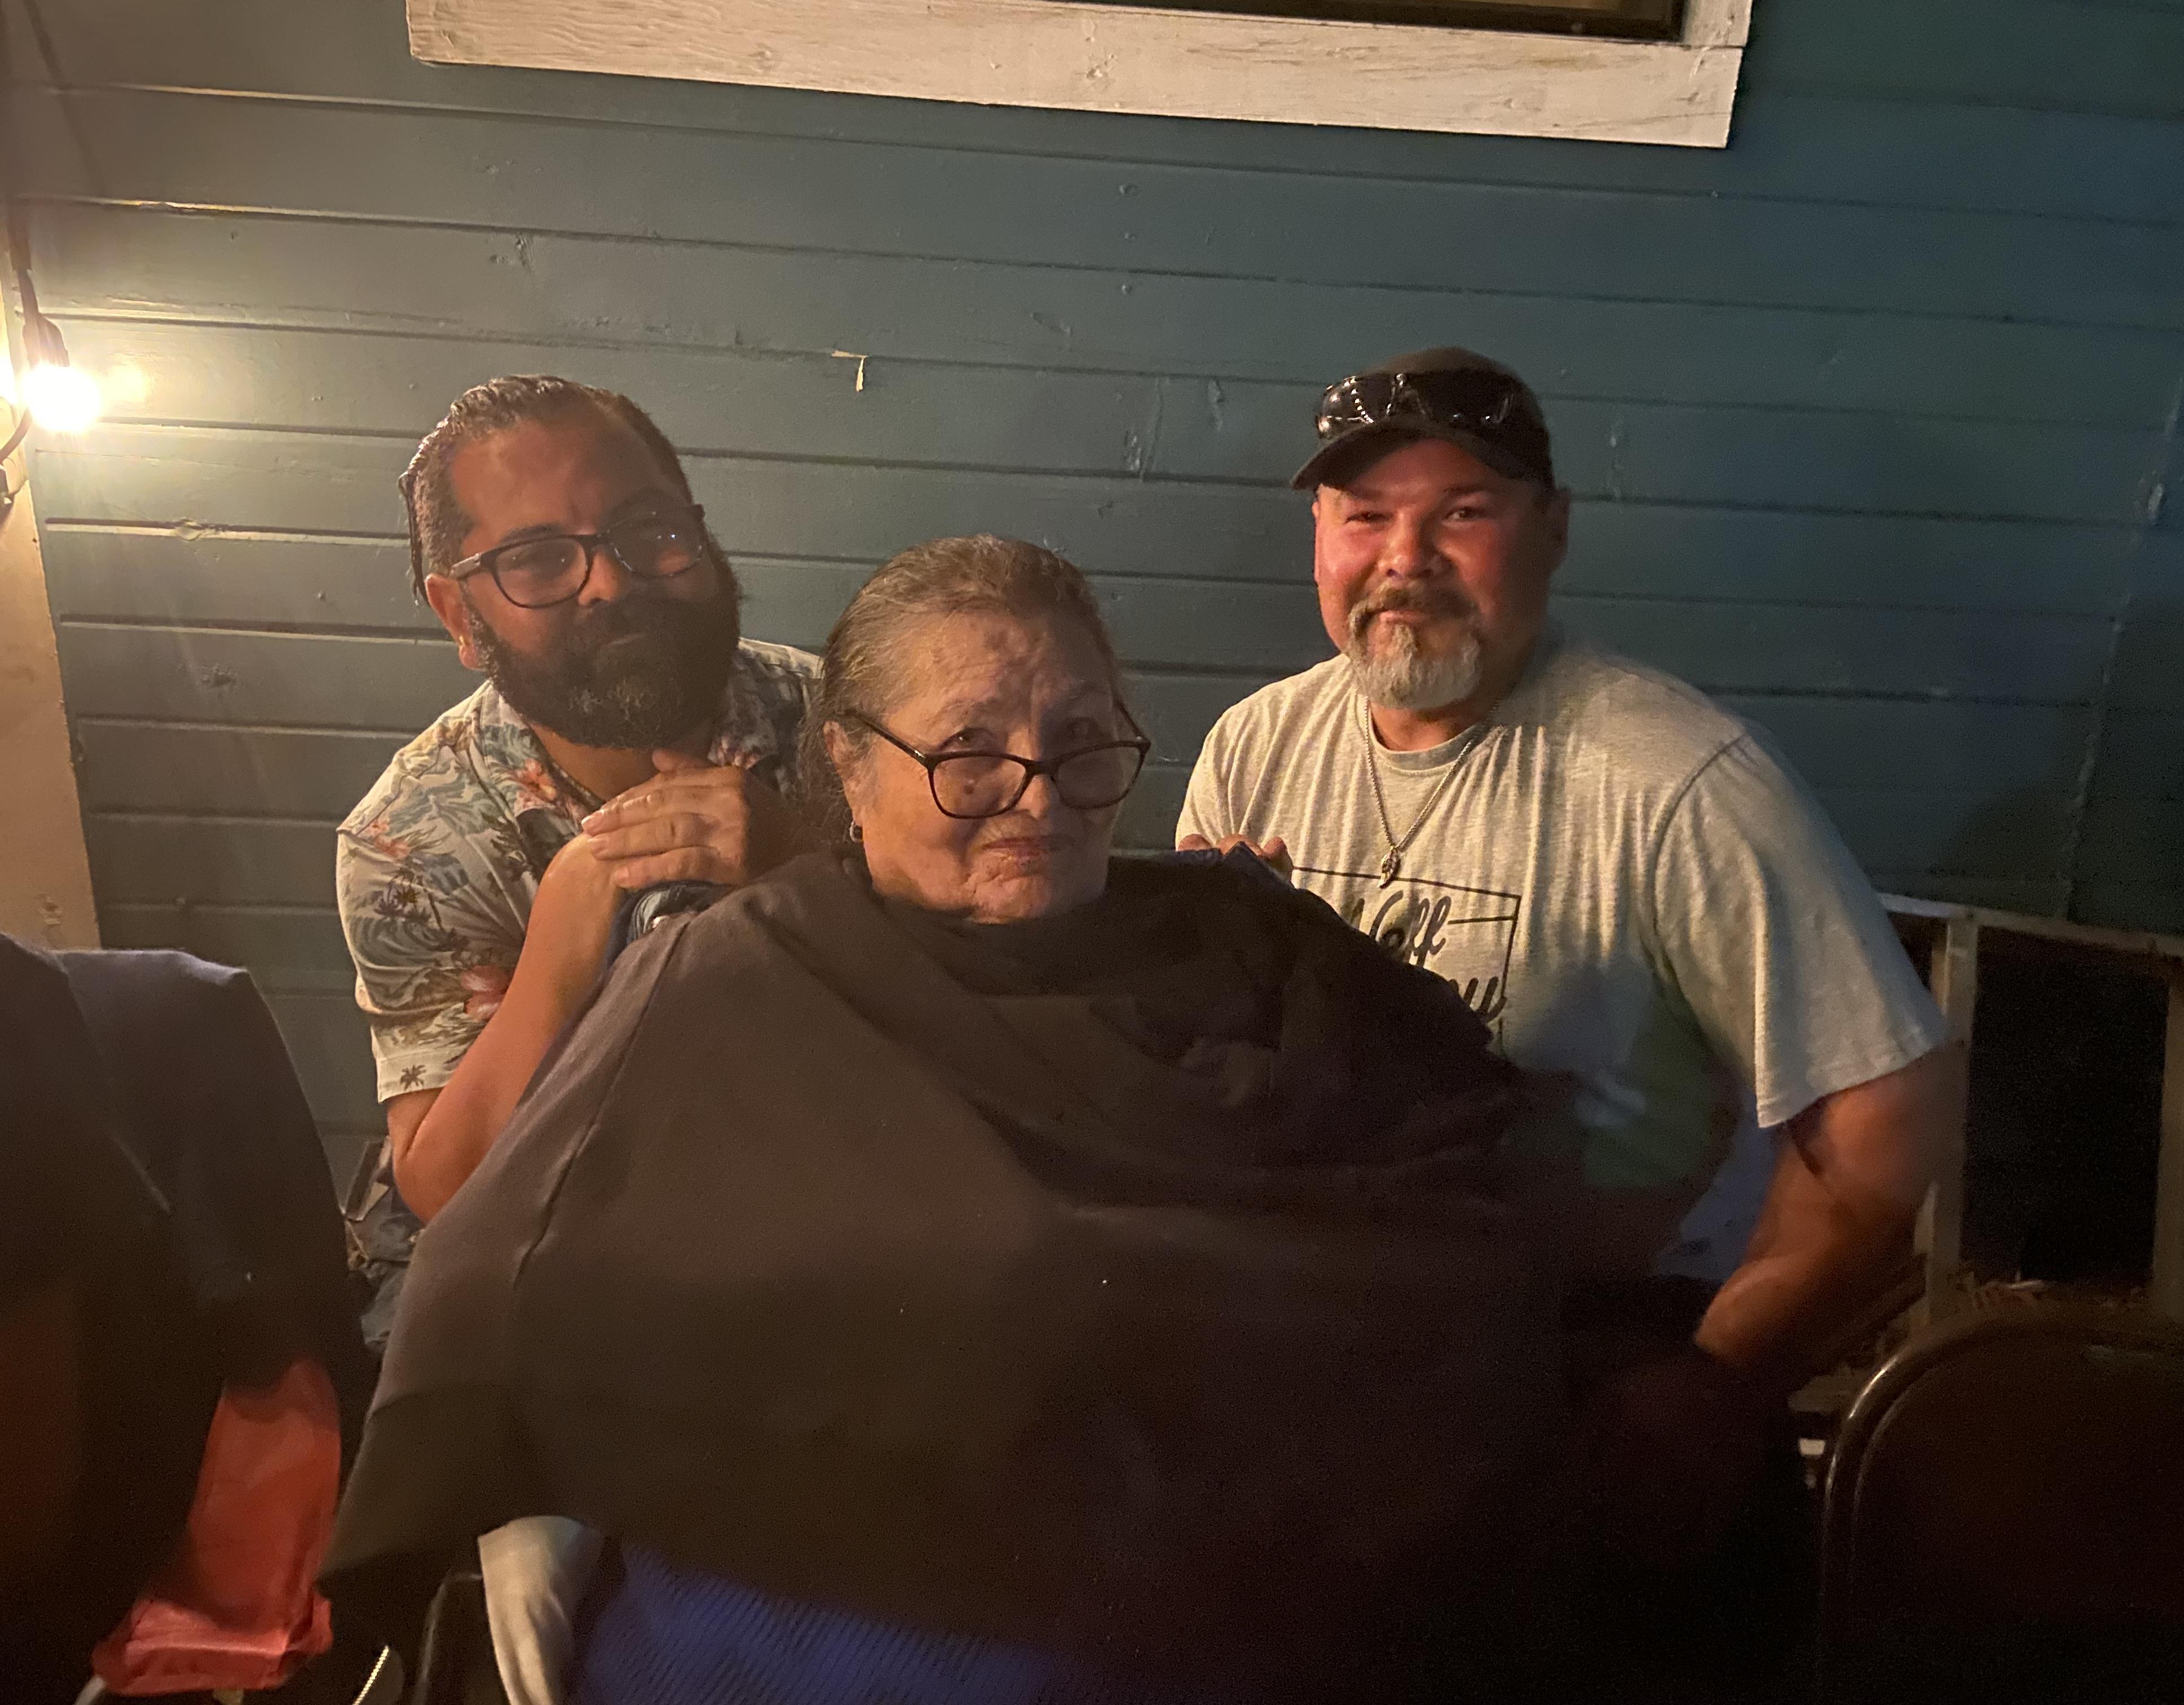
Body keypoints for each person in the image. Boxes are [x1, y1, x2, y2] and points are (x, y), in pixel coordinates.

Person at [323, 536, 1573, 1704]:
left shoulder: (1260, 942)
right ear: (851, 768)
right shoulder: (732, 978)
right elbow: (500, 1278)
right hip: (865, 1581)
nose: (1037, 796)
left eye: (1082, 742)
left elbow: (1462, 1207)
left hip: (1269, 1568)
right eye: (968, 752)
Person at [1176, 348, 1960, 1583]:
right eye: (1364, 518)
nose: (1405, 559)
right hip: (1341, 1328)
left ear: (1552, 531)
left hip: (1595, 1341)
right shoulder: (1255, 749)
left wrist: (1715, 1384)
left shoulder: (1678, 780)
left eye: (1463, 515)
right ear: (1317, 539)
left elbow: (1889, 1121)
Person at [335, 377, 815, 1332]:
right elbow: (445, 1184)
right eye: (539, 560)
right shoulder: (411, 837)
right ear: (459, 615)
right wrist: (569, 924)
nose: (613, 581)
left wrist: (810, 876)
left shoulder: (853, 728)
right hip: (555, 1238)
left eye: (651, 532)